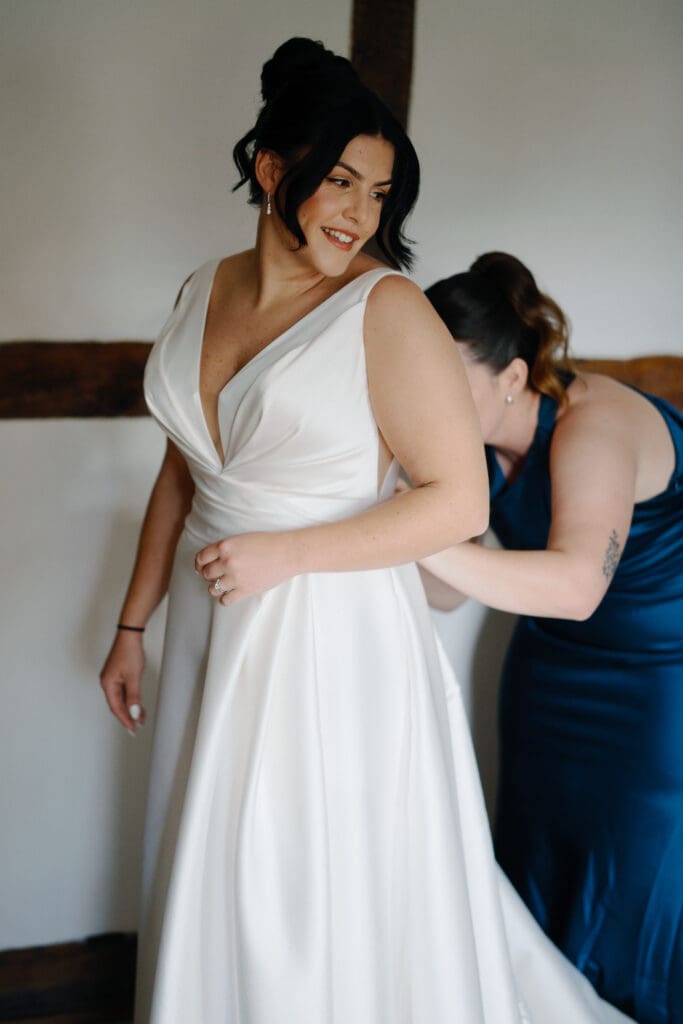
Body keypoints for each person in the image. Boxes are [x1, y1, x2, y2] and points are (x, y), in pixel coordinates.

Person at [100, 41, 633, 1024]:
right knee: (207, 848)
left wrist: (284, 554)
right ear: (272, 168)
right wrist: (133, 625)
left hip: (325, 629)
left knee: (303, 884)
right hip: (212, 616)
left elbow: (457, 503)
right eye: (340, 180)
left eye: (380, 194)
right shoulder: (201, 288)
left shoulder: (384, 310)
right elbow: (183, 469)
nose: (358, 213)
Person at [419, 251, 683, 1024]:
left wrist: (404, 535)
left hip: (656, 690)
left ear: (512, 375)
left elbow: (573, 586)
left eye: (445, 381)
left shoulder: (591, 423)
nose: (424, 402)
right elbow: (445, 592)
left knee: (638, 891)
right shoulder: (468, 444)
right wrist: (400, 508)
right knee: (537, 868)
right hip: (546, 678)